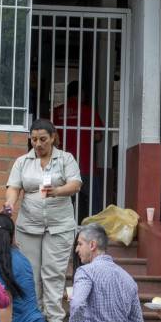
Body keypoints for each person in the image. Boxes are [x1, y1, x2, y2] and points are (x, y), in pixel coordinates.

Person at [4, 119, 82, 322]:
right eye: (34, 139)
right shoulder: (22, 161)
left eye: (43, 139)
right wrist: (10, 203)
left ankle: (55, 317)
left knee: (54, 271)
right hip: (29, 224)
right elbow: (13, 187)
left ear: (53, 137)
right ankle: (35, 314)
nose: (38, 144)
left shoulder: (66, 158)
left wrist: (56, 191)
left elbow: (75, 184)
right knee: (31, 271)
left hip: (60, 225)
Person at [52, 81, 105, 219]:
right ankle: (93, 231)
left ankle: (65, 227)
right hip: (85, 165)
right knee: (95, 204)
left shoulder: (56, 112)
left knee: (62, 202)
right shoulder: (88, 111)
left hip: (61, 166)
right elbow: (99, 136)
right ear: (80, 93)